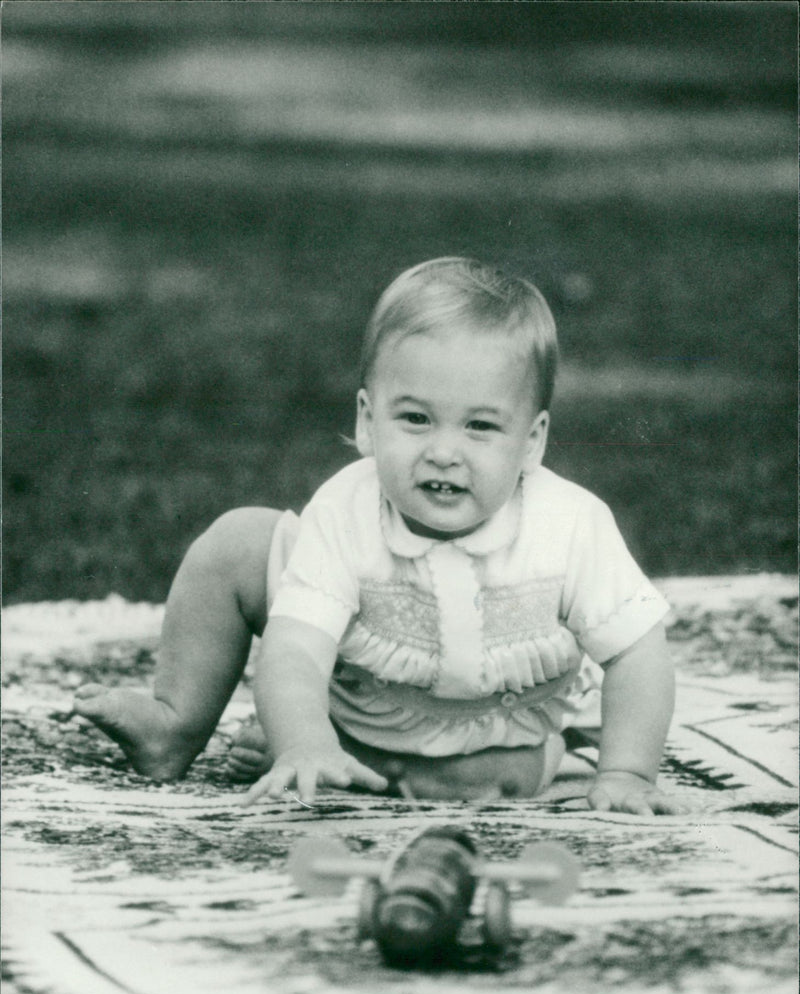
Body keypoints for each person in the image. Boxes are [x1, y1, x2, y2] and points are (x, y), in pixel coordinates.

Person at [75, 257, 683, 815]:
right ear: (368, 422)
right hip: (360, 691)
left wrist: (628, 771)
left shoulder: (570, 525)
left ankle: (360, 763)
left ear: (532, 441)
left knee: (497, 782)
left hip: (492, 729)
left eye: (480, 427)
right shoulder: (347, 509)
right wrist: (304, 743)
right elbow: (294, 648)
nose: (444, 452)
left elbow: (638, 651)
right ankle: (175, 725)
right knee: (238, 544)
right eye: (415, 419)